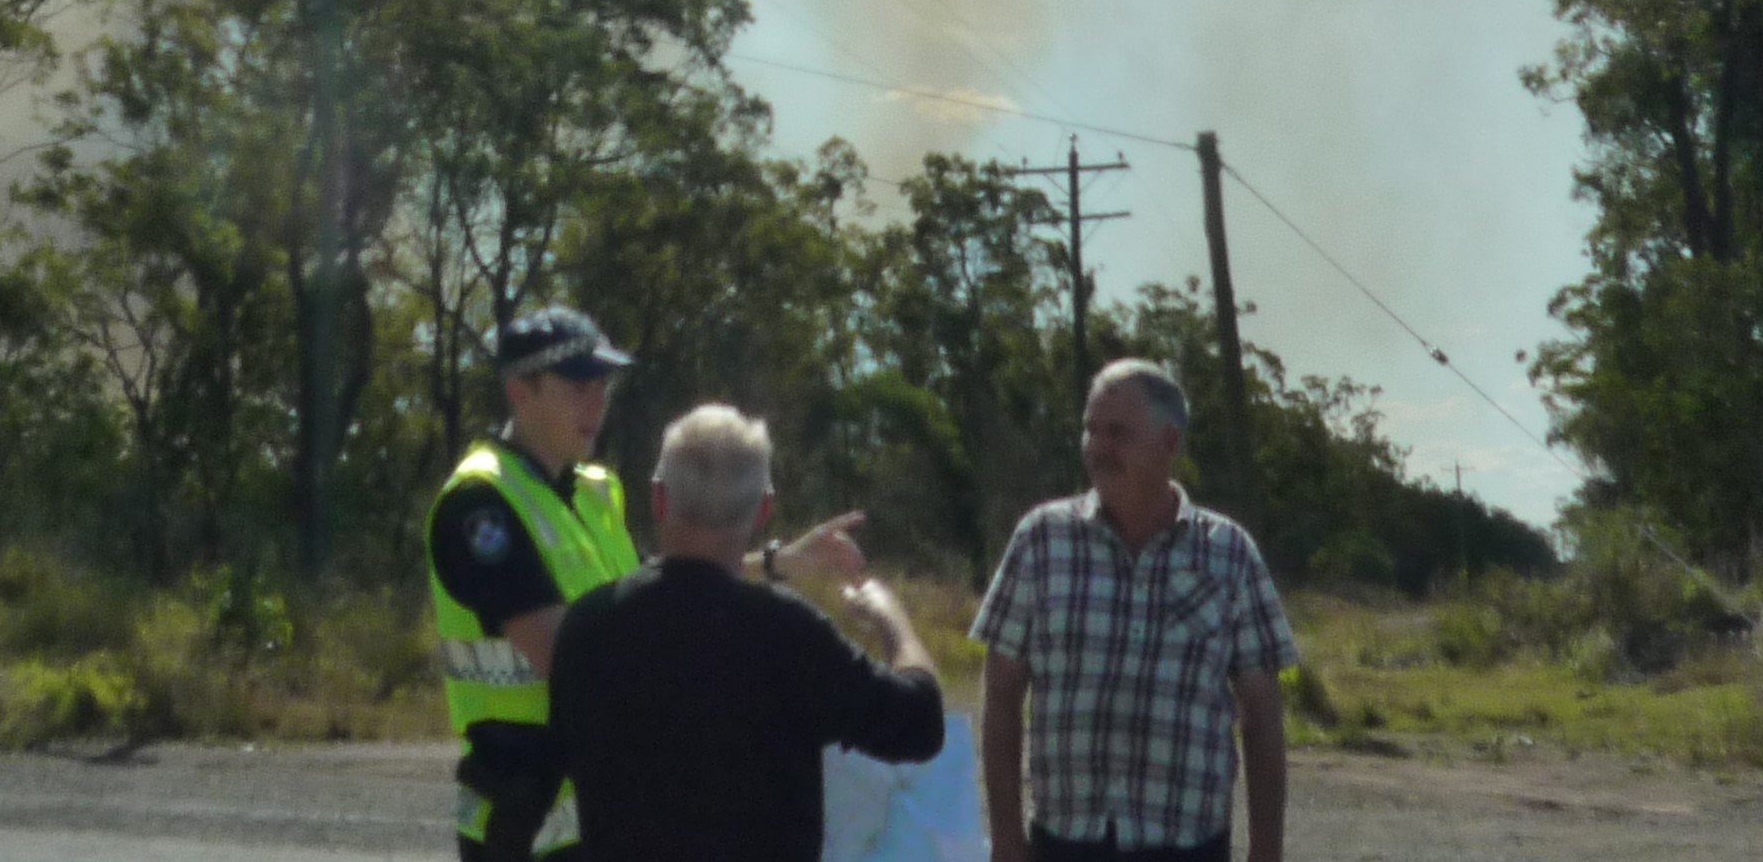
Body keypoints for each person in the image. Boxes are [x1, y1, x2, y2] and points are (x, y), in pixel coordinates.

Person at [427, 309, 867, 860]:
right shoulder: (480, 503)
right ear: (519, 389)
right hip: (524, 824)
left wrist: (781, 561)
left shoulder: (595, 490)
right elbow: (568, 655)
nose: (597, 403)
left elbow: (660, 591)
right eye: (577, 386)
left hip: (602, 816)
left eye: (603, 385)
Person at [548, 403, 947, 862]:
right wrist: (891, 619)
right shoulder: (788, 633)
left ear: (658, 499)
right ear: (764, 510)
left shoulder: (588, 626)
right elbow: (920, 723)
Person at [971, 361, 1297, 862]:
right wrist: (1007, 840)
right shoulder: (1041, 540)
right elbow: (1001, 693)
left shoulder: (1229, 554)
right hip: (1065, 844)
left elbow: (1263, 714)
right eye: (1091, 430)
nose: (1098, 448)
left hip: (1186, 846)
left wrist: (1266, 853)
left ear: (1169, 443)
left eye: (1118, 433)